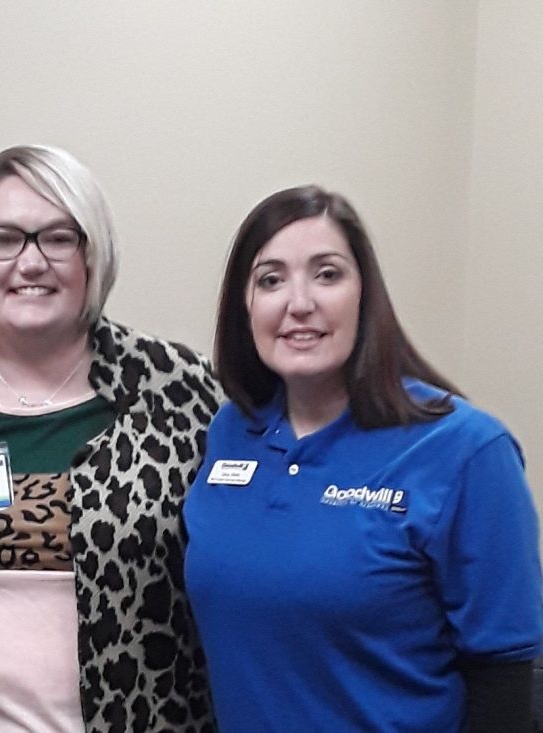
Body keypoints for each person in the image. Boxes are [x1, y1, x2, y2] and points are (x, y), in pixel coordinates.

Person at [0, 144, 221, 732]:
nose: (30, 262)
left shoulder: (179, 393)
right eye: (5, 238)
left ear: (93, 253)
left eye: (58, 238)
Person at [183, 184, 543, 732]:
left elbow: (507, 676)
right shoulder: (231, 431)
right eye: (270, 279)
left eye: (327, 274)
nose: (299, 303)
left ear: (365, 294)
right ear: (245, 305)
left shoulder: (466, 451)